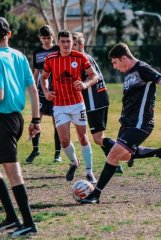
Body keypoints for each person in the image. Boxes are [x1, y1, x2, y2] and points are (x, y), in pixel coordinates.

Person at [80, 42, 161, 204]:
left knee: (113, 154)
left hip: (141, 123)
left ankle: (96, 195)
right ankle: (158, 152)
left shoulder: (142, 68)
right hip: (127, 123)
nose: (114, 67)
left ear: (123, 58)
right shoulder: (128, 74)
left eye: (115, 62)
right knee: (125, 155)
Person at [41, 30, 99, 183]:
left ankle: (89, 172)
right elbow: (44, 78)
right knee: (64, 140)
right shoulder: (51, 58)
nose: (66, 44)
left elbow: (94, 76)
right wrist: (46, 91)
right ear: (58, 43)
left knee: (82, 137)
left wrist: (85, 84)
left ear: (73, 43)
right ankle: (74, 162)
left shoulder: (80, 57)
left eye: (68, 42)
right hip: (59, 105)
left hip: (77, 103)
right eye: (63, 41)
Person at [0, 17, 39, 236]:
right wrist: (36, 121)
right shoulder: (19, 55)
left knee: (14, 174)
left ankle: (29, 223)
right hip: (17, 118)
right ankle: (11, 217)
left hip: (3, 121)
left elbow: (0, 94)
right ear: (9, 34)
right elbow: (33, 91)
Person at [72, 32, 123, 174]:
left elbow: (95, 77)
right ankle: (116, 163)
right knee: (99, 136)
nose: (71, 46)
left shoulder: (83, 58)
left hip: (95, 101)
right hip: (99, 99)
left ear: (81, 45)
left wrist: (83, 84)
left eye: (74, 44)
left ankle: (124, 151)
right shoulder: (83, 58)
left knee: (98, 138)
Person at [26, 25, 62, 163]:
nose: (46, 40)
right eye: (43, 38)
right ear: (40, 38)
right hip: (41, 92)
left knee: (56, 122)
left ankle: (57, 154)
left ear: (52, 37)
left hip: (56, 92)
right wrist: (33, 88)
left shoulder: (57, 50)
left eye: (48, 37)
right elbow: (36, 72)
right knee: (36, 120)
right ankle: (35, 150)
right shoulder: (37, 52)